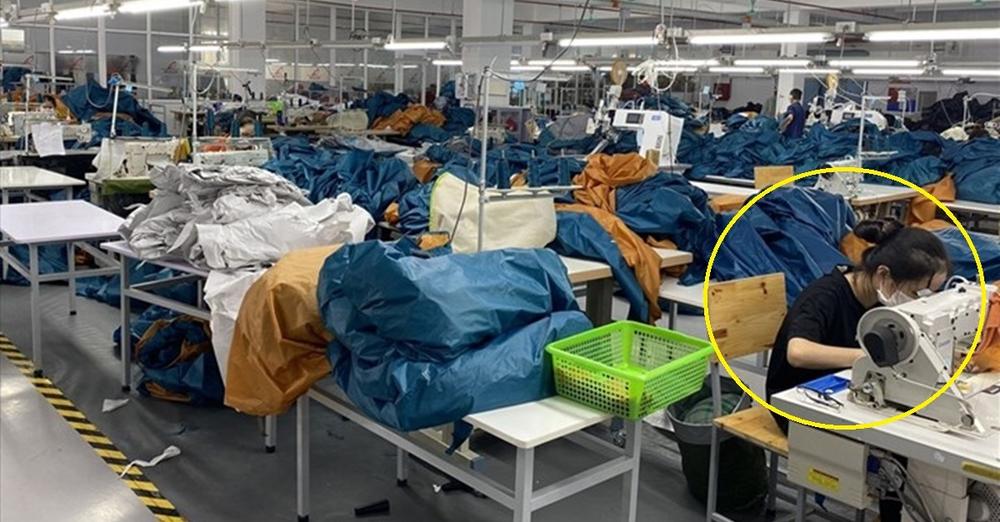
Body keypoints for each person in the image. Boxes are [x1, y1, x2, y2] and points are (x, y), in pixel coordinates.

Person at [765, 218, 951, 522]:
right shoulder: (825, 295)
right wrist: (865, 358)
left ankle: (891, 514)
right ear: (883, 275)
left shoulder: (879, 298)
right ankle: (891, 513)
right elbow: (798, 352)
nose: (919, 302)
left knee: (920, 424)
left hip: (845, 391)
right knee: (902, 439)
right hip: (797, 401)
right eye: (916, 292)